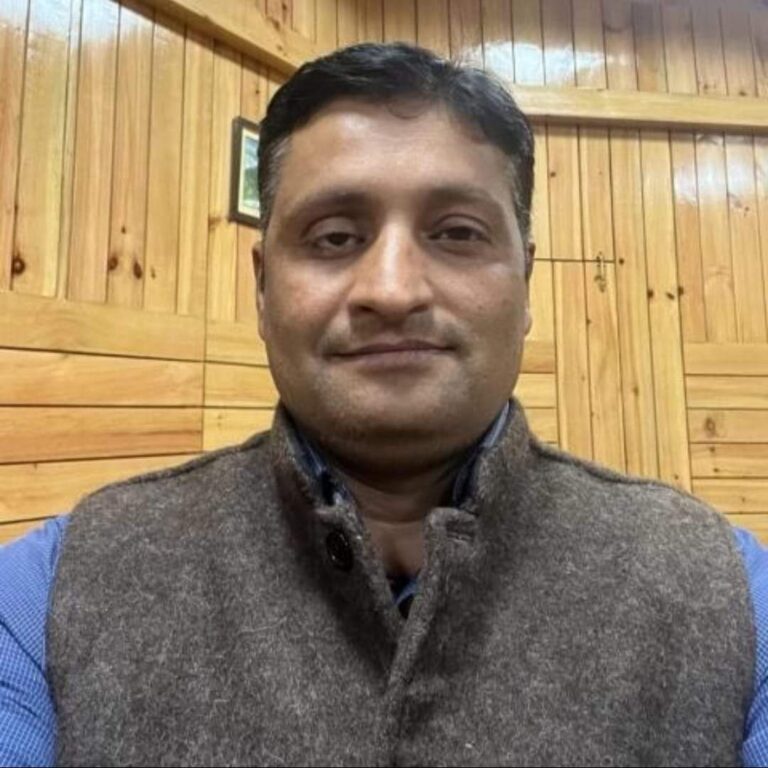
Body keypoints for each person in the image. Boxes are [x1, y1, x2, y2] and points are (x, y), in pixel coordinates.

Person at [1, 42, 767, 767]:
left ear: (525, 282)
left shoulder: (729, 593)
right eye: (335, 238)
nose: (393, 291)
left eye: (457, 233)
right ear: (263, 287)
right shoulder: (48, 595)